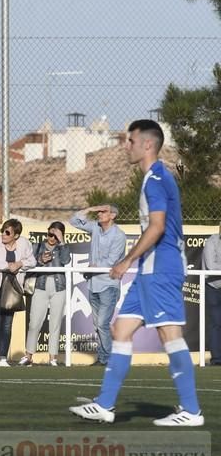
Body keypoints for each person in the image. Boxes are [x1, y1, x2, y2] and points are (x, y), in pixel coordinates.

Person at [70, 119, 204, 426]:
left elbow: (157, 227)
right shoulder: (154, 178)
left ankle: (192, 410)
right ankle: (105, 405)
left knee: (169, 334)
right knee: (121, 330)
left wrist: (127, 260)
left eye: (130, 140)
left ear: (147, 144)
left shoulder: (155, 178)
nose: (126, 146)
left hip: (161, 268)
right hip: (150, 269)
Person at [70, 204, 126, 366]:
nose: (100, 214)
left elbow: (112, 260)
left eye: (104, 212)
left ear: (113, 216)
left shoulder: (118, 235)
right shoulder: (95, 228)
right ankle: (103, 358)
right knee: (98, 325)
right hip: (93, 284)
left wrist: (93, 266)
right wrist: (90, 209)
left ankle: (108, 358)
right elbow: (74, 221)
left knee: (102, 323)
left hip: (108, 285)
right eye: (100, 212)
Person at [0, 219, 36, 367]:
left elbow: (32, 261)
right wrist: (7, 266)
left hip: (13, 289)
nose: (3, 234)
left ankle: (4, 357)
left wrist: (19, 264)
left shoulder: (24, 243)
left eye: (7, 232)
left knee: (7, 324)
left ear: (16, 235)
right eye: (2, 230)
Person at [18, 222, 71, 367]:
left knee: (55, 323)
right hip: (40, 286)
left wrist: (62, 242)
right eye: (50, 234)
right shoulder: (37, 246)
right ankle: (28, 355)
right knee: (35, 322)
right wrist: (41, 261)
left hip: (59, 287)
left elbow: (66, 260)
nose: (52, 238)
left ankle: (53, 358)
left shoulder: (62, 248)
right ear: (47, 232)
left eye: (56, 235)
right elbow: (29, 264)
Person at [202, 224, 221, 366]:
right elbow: (211, 266)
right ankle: (216, 359)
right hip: (213, 287)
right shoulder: (211, 242)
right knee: (216, 323)